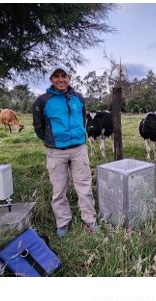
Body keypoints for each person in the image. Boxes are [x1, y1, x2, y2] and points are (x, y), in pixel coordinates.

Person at [32, 67, 97, 237]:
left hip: (79, 149)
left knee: (84, 185)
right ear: (51, 79)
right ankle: (63, 222)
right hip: (56, 151)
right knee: (59, 189)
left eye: (64, 76)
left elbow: (83, 119)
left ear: (69, 78)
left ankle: (89, 219)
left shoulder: (78, 98)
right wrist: (51, 140)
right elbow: (38, 126)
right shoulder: (43, 101)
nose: (61, 80)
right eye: (57, 77)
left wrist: (79, 136)